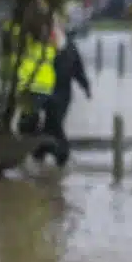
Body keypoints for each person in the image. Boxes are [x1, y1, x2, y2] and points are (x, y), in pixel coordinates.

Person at [38, 29, 90, 167]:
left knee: (54, 122)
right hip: (45, 90)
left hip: (63, 92)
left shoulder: (70, 47)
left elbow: (78, 69)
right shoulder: (43, 46)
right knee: (52, 123)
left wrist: (85, 87)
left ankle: (49, 151)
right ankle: (56, 152)